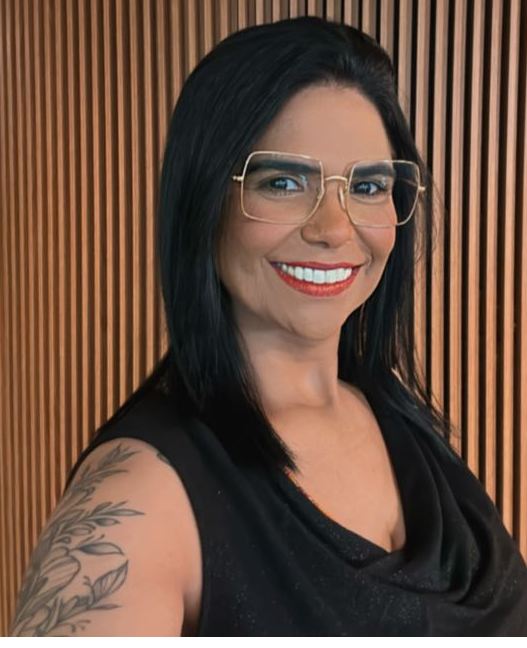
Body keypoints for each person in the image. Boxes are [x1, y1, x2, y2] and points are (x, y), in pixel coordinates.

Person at [10, 16, 527, 637]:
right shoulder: (138, 498)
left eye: (368, 185)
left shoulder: (398, 417)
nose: (334, 229)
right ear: (204, 201)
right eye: (283, 182)